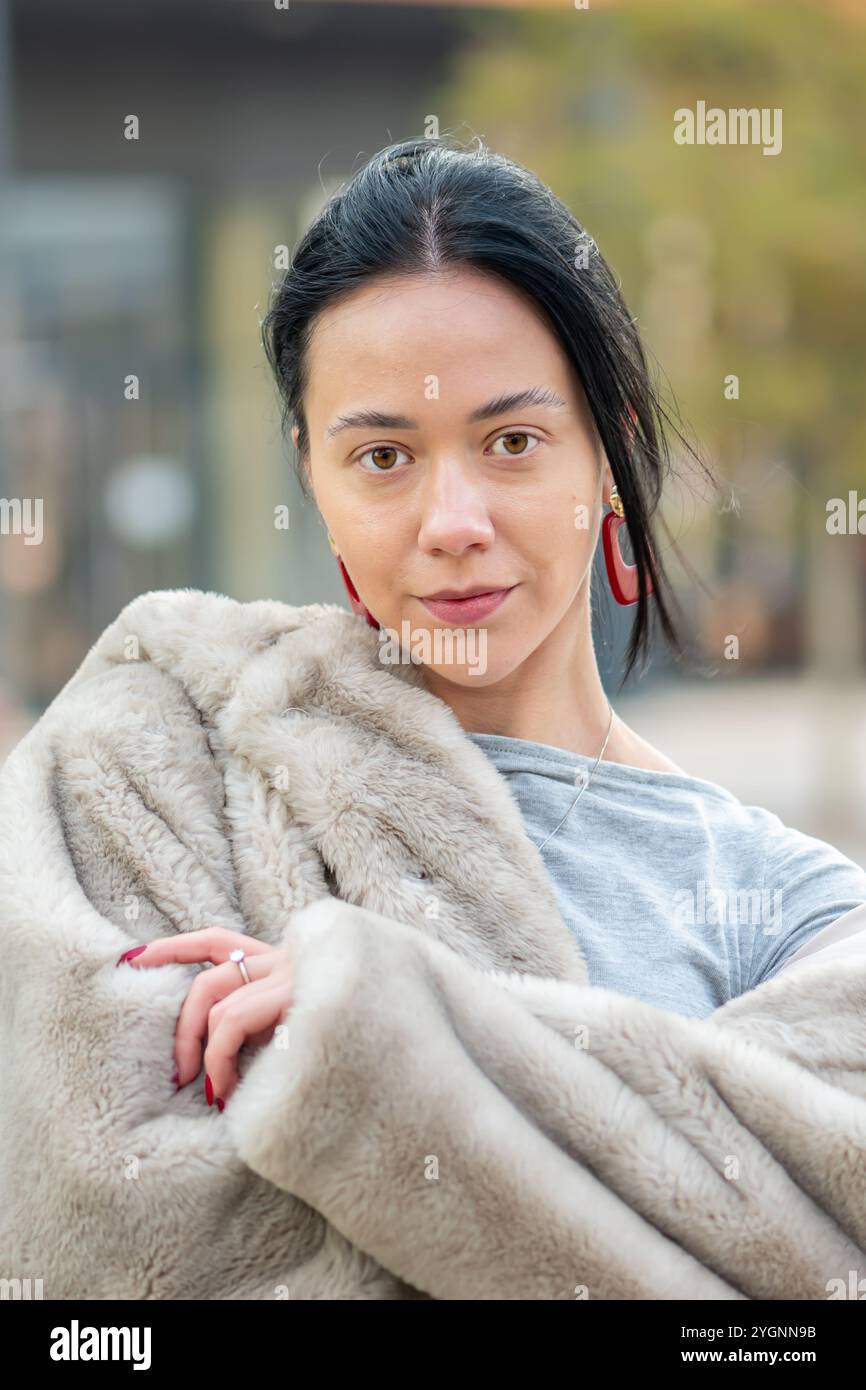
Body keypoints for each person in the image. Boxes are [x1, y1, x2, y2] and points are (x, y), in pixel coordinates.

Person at [3, 136, 866, 1301]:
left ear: (606, 453)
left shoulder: (790, 913)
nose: (450, 518)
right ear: (310, 469)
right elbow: (94, 1246)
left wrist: (379, 1027)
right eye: (383, 456)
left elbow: (809, 1276)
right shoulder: (150, 763)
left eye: (510, 442)